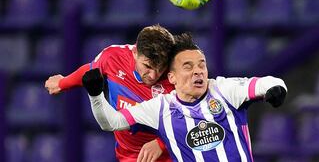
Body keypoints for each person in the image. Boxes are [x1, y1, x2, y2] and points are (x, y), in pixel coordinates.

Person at [83, 33, 288, 162]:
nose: (197, 71)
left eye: (202, 64)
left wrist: (276, 89)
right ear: (171, 77)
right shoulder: (160, 108)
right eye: (188, 67)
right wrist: (95, 95)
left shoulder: (225, 90)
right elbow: (111, 122)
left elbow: (265, 82)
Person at [44, 24, 175, 162]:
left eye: (160, 68)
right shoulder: (113, 57)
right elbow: (90, 72)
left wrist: (162, 143)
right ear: (135, 52)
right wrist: (62, 83)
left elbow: (196, 117)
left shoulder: (176, 77)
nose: (153, 75)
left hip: (170, 156)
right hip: (128, 155)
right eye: (148, 66)